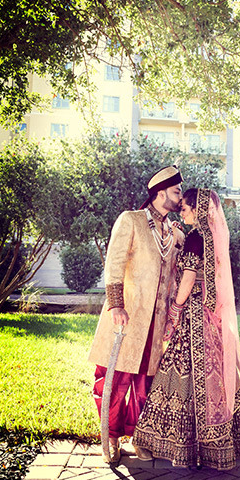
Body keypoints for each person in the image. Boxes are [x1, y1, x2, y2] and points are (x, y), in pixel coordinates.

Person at [132, 188, 240, 470]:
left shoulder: (194, 238)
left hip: (192, 314)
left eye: (186, 208)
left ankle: (158, 440)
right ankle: (222, 445)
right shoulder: (211, 237)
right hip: (211, 318)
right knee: (210, 374)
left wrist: (175, 310)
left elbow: (188, 279)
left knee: (176, 371)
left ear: (199, 210)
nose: (182, 211)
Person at [88, 165, 185, 463]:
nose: (180, 198)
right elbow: (114, 263)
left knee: (146, 385)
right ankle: (111, 438)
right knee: (114, 382)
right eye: (177, 191)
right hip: (126, 318)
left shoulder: (174, 232)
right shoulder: (131, 220)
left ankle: (140, 436)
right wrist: (116, 304)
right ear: (160, 193)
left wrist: (172, 314)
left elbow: (173, 278)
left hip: (155, 324)